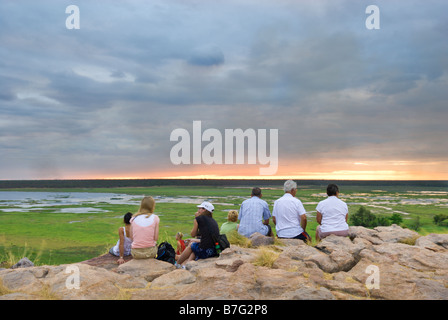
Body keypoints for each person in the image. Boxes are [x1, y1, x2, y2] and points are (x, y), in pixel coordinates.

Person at [176, 201, 219, 267]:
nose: (198, 210)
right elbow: (208, 238)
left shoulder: (199, 218)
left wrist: (196, 218)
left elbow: (193, 234)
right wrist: (193, 240)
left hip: (205, 251)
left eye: (199, 208)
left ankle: (177, 264)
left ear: (204, 210)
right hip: (214, 251)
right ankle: (187, 265)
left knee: (191, 245)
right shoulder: (212, 220)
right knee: (195, 247)